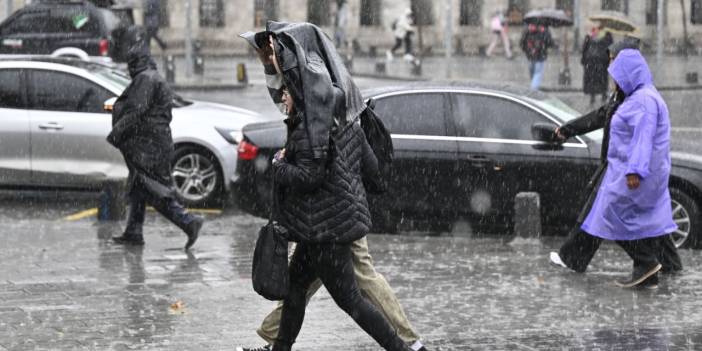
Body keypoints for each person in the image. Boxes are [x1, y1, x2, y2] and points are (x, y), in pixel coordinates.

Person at [242, 22, 413, 351]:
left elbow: (309, 177)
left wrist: (280, 166)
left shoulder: (310, 128)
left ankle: (402, 348)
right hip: (324, 224)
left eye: (287, 93)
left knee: (353, 301)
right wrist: (343, 180)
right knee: (295, 291)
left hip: (325, 229)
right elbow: (372, 170)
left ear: (300, 92)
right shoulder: (343, 115)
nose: (284, 97)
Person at [549, 46, 682, 288]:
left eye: (618, 75)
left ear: (630, 74)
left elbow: (644, 138)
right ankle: (653, 270)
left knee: (611, 214)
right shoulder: (634, 96)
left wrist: (635, 170)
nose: (614, 81)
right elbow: (604, 118)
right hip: (624, 169)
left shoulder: (643, 100)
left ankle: (646, 263)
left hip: (633, 173)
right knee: (642, 221)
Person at [107, 26, 203, 250]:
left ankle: (189, 222)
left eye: (130, 63)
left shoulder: (145, 79)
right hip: (152, 143)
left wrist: (117, 132)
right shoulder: (151, 77)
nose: (129, 68)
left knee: (154, 189)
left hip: (148, 146)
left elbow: (136, 110)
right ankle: (133, 232)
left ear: (135, 62)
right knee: (140, 187)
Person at [581, 25, 613, 105]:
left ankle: (594, 96)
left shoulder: (590, 36)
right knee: (602, 78)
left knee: (593, 78)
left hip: (592, 61)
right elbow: (610, 47)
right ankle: (603, 94)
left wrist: (584, 60)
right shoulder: (606, 36)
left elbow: (585, 48)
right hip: (601, 61)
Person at [520, 23, 554, 90]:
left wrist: (527, 51)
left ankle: (534, 85)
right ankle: (533, 89)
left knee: (533, 72)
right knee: (537, 73)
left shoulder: (527, 29)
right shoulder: (544, 30)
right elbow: (549, 42)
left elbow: (522, 43)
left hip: (530, 56)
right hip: (540, 55)